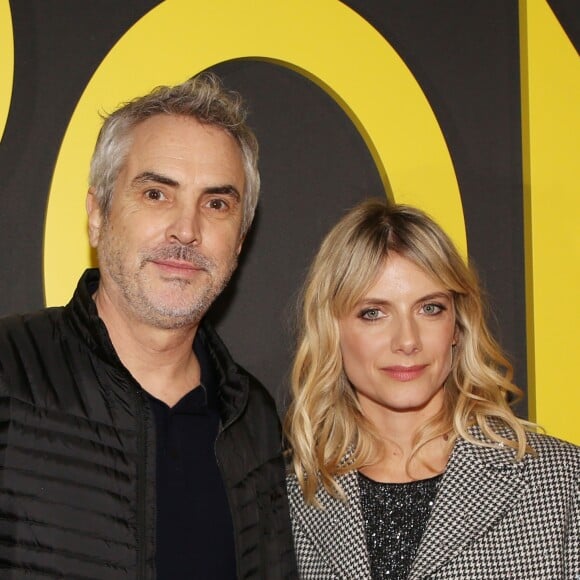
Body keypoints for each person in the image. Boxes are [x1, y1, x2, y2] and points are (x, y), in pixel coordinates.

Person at [0, 72, 297, 579]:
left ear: (240, 240)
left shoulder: (255, 420)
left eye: (217, 203)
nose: (187, 229)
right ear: (98, 215)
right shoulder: (9, 370)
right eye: (157, 194)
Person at [285, 198, 579, 579]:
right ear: (332, 331)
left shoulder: (562, 484)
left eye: (430, 308)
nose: (407, 340)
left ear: (457, 327)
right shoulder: (286, 499)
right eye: (373, 313)